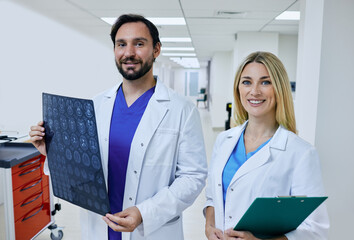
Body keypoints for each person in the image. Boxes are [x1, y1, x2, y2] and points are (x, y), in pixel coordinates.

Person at [29, 14, 207, 240]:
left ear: (156, 49)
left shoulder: (182, 110)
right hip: (99, 228)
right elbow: (82, 168)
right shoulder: (95, 105)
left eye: (139, 44)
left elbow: (193, 177)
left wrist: (145, 213)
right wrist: (52, 153)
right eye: (121, 44)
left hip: (151, 229)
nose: (129, 52)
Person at [204, 51, 329, 240]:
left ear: (279, 89)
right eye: (247, 82)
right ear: (238, 88)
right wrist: (209, 225)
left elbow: (316, 229)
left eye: (265, 82)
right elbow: (213, 196)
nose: (254, 91)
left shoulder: (300, 152)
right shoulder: (224, 140)